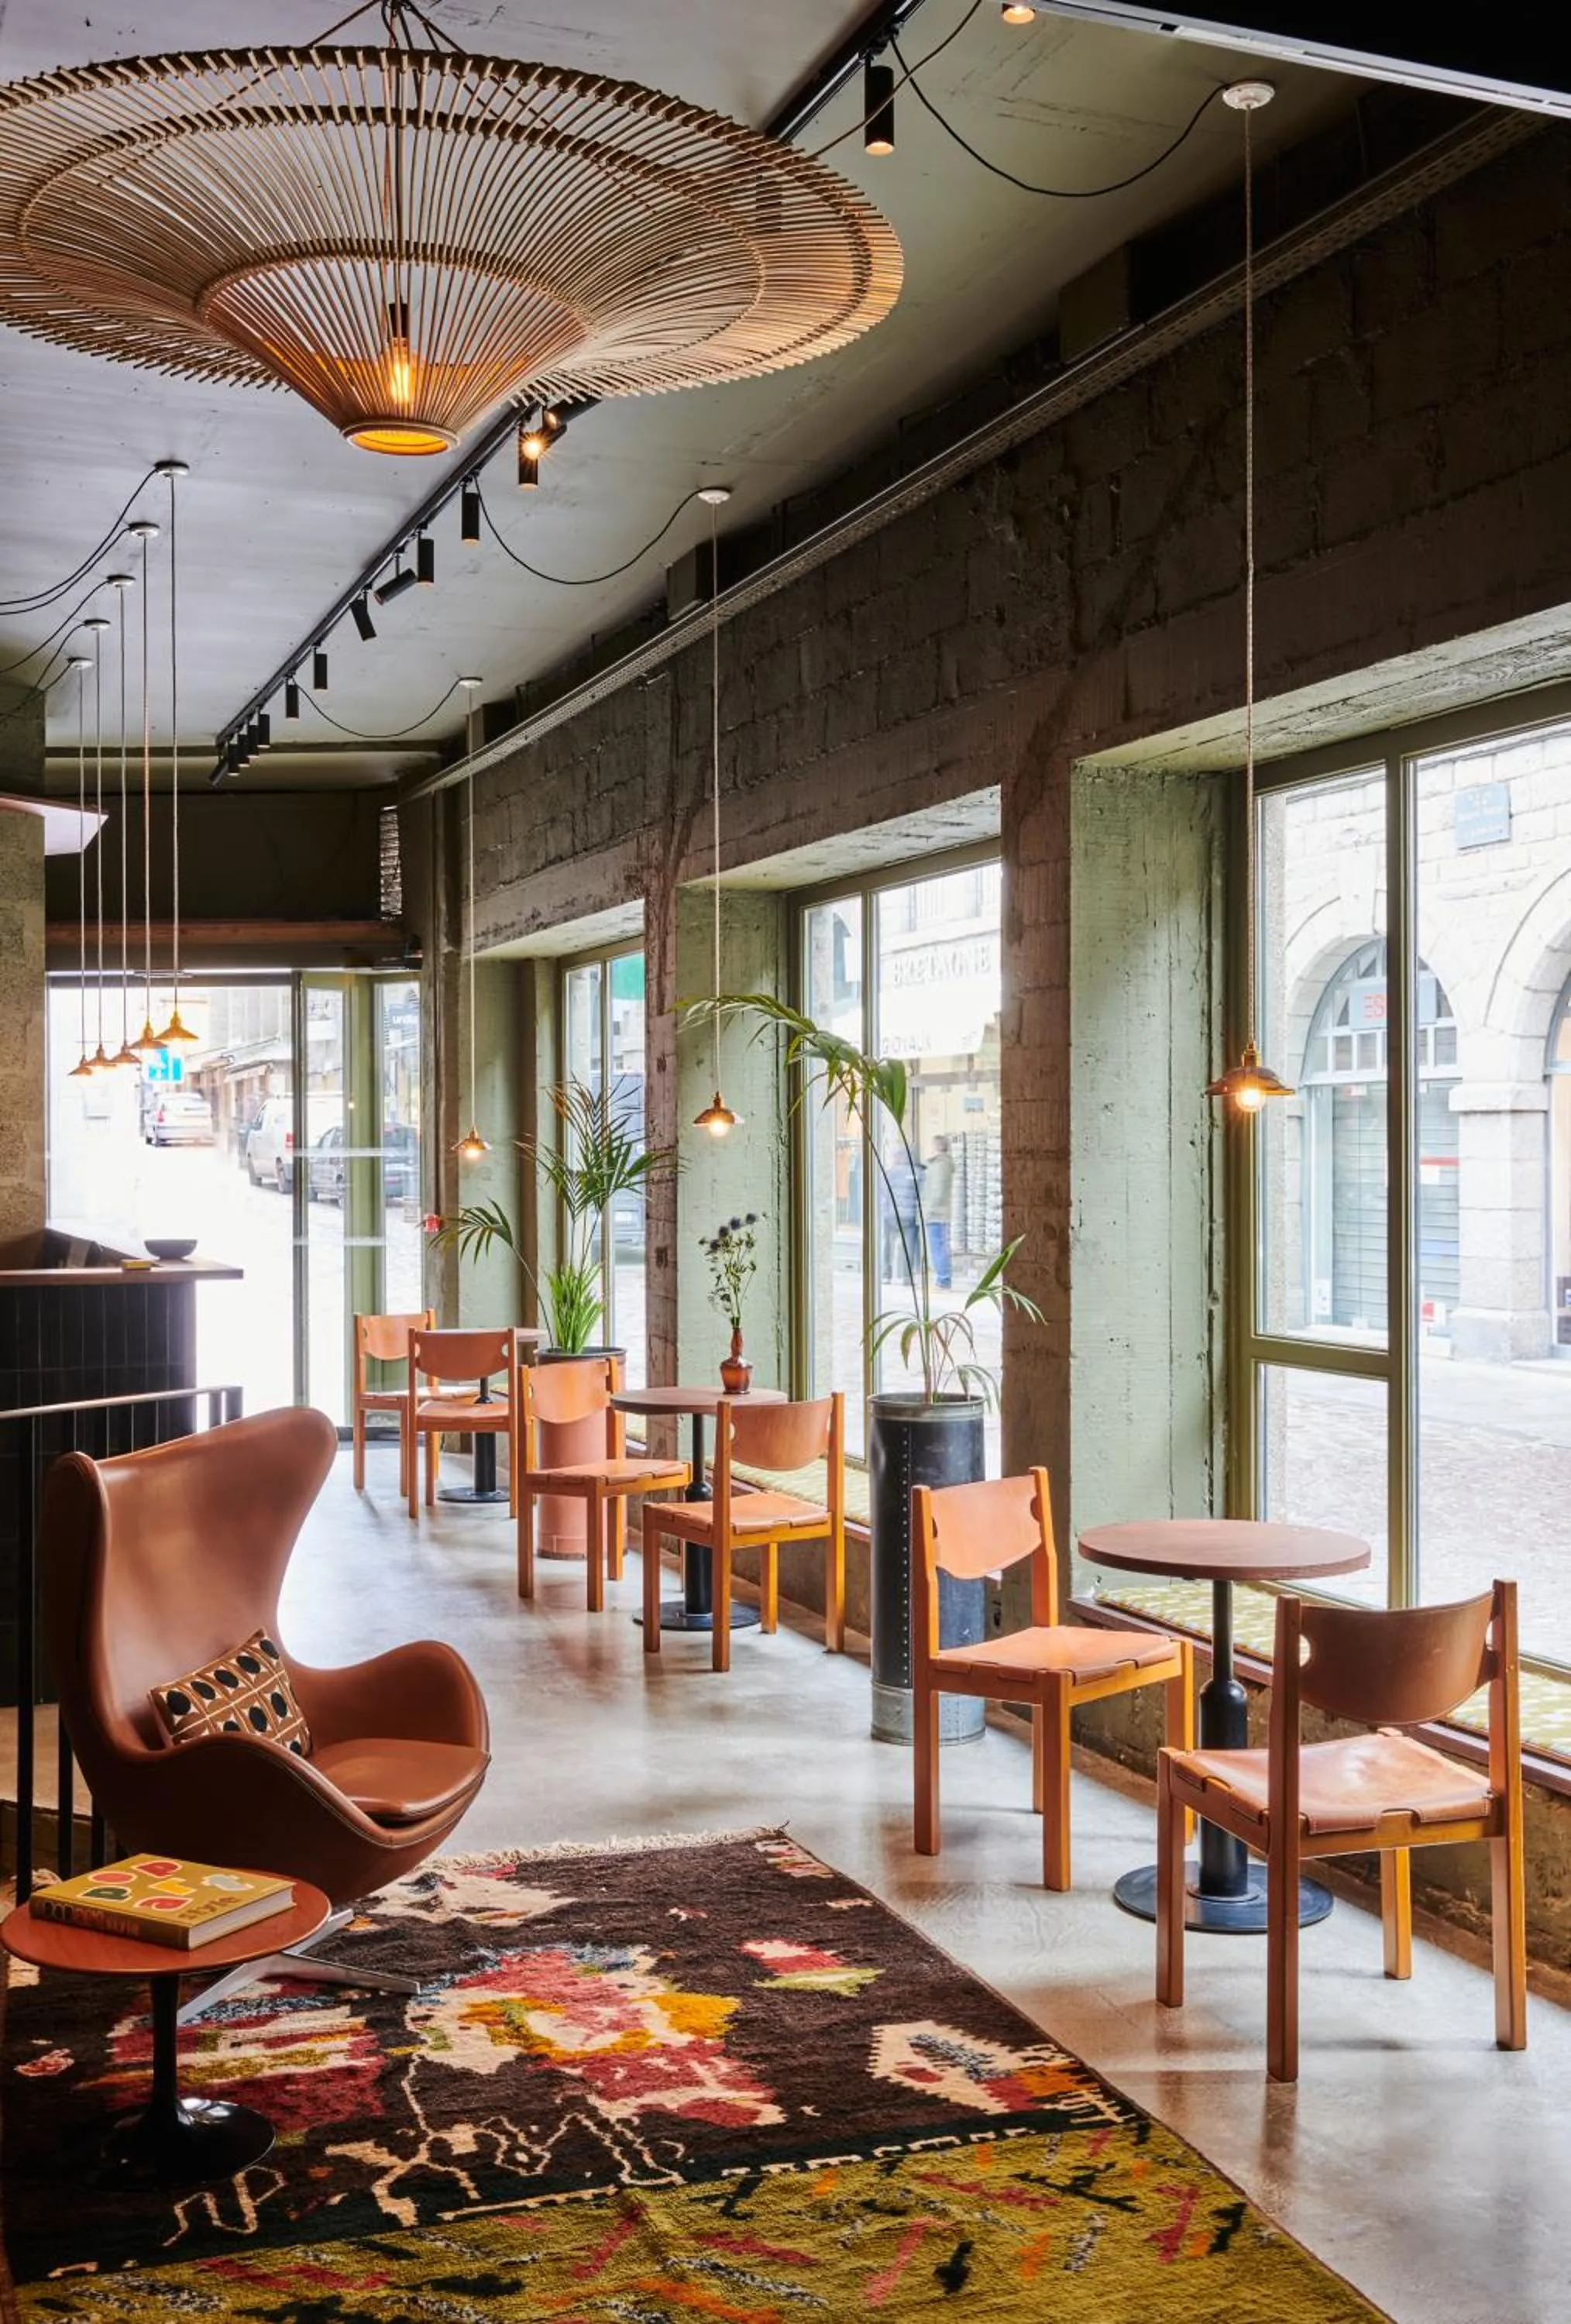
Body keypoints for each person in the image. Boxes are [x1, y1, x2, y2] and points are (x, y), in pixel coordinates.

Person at [879, 1143, 920, 1284]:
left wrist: (885, 1210)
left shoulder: (890, 1173)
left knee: (887, 1244)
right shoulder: (917, 1172)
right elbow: (920, 1193)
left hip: (891, 1214)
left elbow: (883, 1192)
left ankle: (886, 1274)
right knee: (909, 1245)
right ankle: (906, 1277)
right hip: (910, 1215)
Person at [923, 1134, 954, 1290]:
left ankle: (943, 1279)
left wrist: (929, 1210)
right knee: (938, 1246)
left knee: (938, 1246)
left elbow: (937, 1191)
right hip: (937, 1212)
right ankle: (942, 1278)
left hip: (937, 1213)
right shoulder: (940, 1164)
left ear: (936, 1147)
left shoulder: (940, 1165)